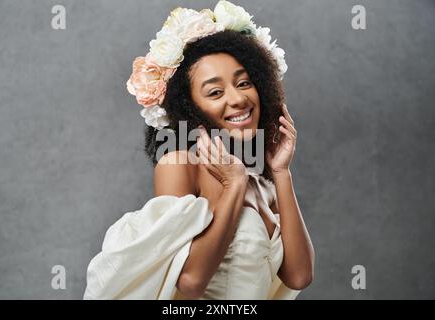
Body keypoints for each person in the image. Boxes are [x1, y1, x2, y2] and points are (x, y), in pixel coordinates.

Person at [84, 0, 314, 300]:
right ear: (189, 108)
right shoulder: (179, 164)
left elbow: (299, 276)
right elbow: (191, 281)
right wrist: (233, 186)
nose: (238, 99)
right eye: (215, 92)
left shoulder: (264, 183)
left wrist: (282, 172)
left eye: (244, 83)